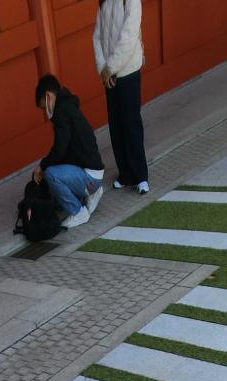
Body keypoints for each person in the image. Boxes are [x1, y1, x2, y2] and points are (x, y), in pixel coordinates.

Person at [33, 73, 105, 229]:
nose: (45, 112)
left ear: (48, 96)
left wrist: (42, 166)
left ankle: (78, 212)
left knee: (51, 174)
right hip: (94, 172)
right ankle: (92, 192)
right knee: (52, 169)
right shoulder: (67, 106)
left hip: (90, 178)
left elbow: (60, 149)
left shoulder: (61, 113)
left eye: (44, 107)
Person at [93, 0, 149, 193]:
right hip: (108, 75)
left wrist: (111, 67)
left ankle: (140, 176)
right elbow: (97, 37)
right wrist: (103, 68)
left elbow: (129, 35)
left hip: (127, 72)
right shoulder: (103, 3)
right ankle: (125, 174)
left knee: (131, 125)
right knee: (116, 126)